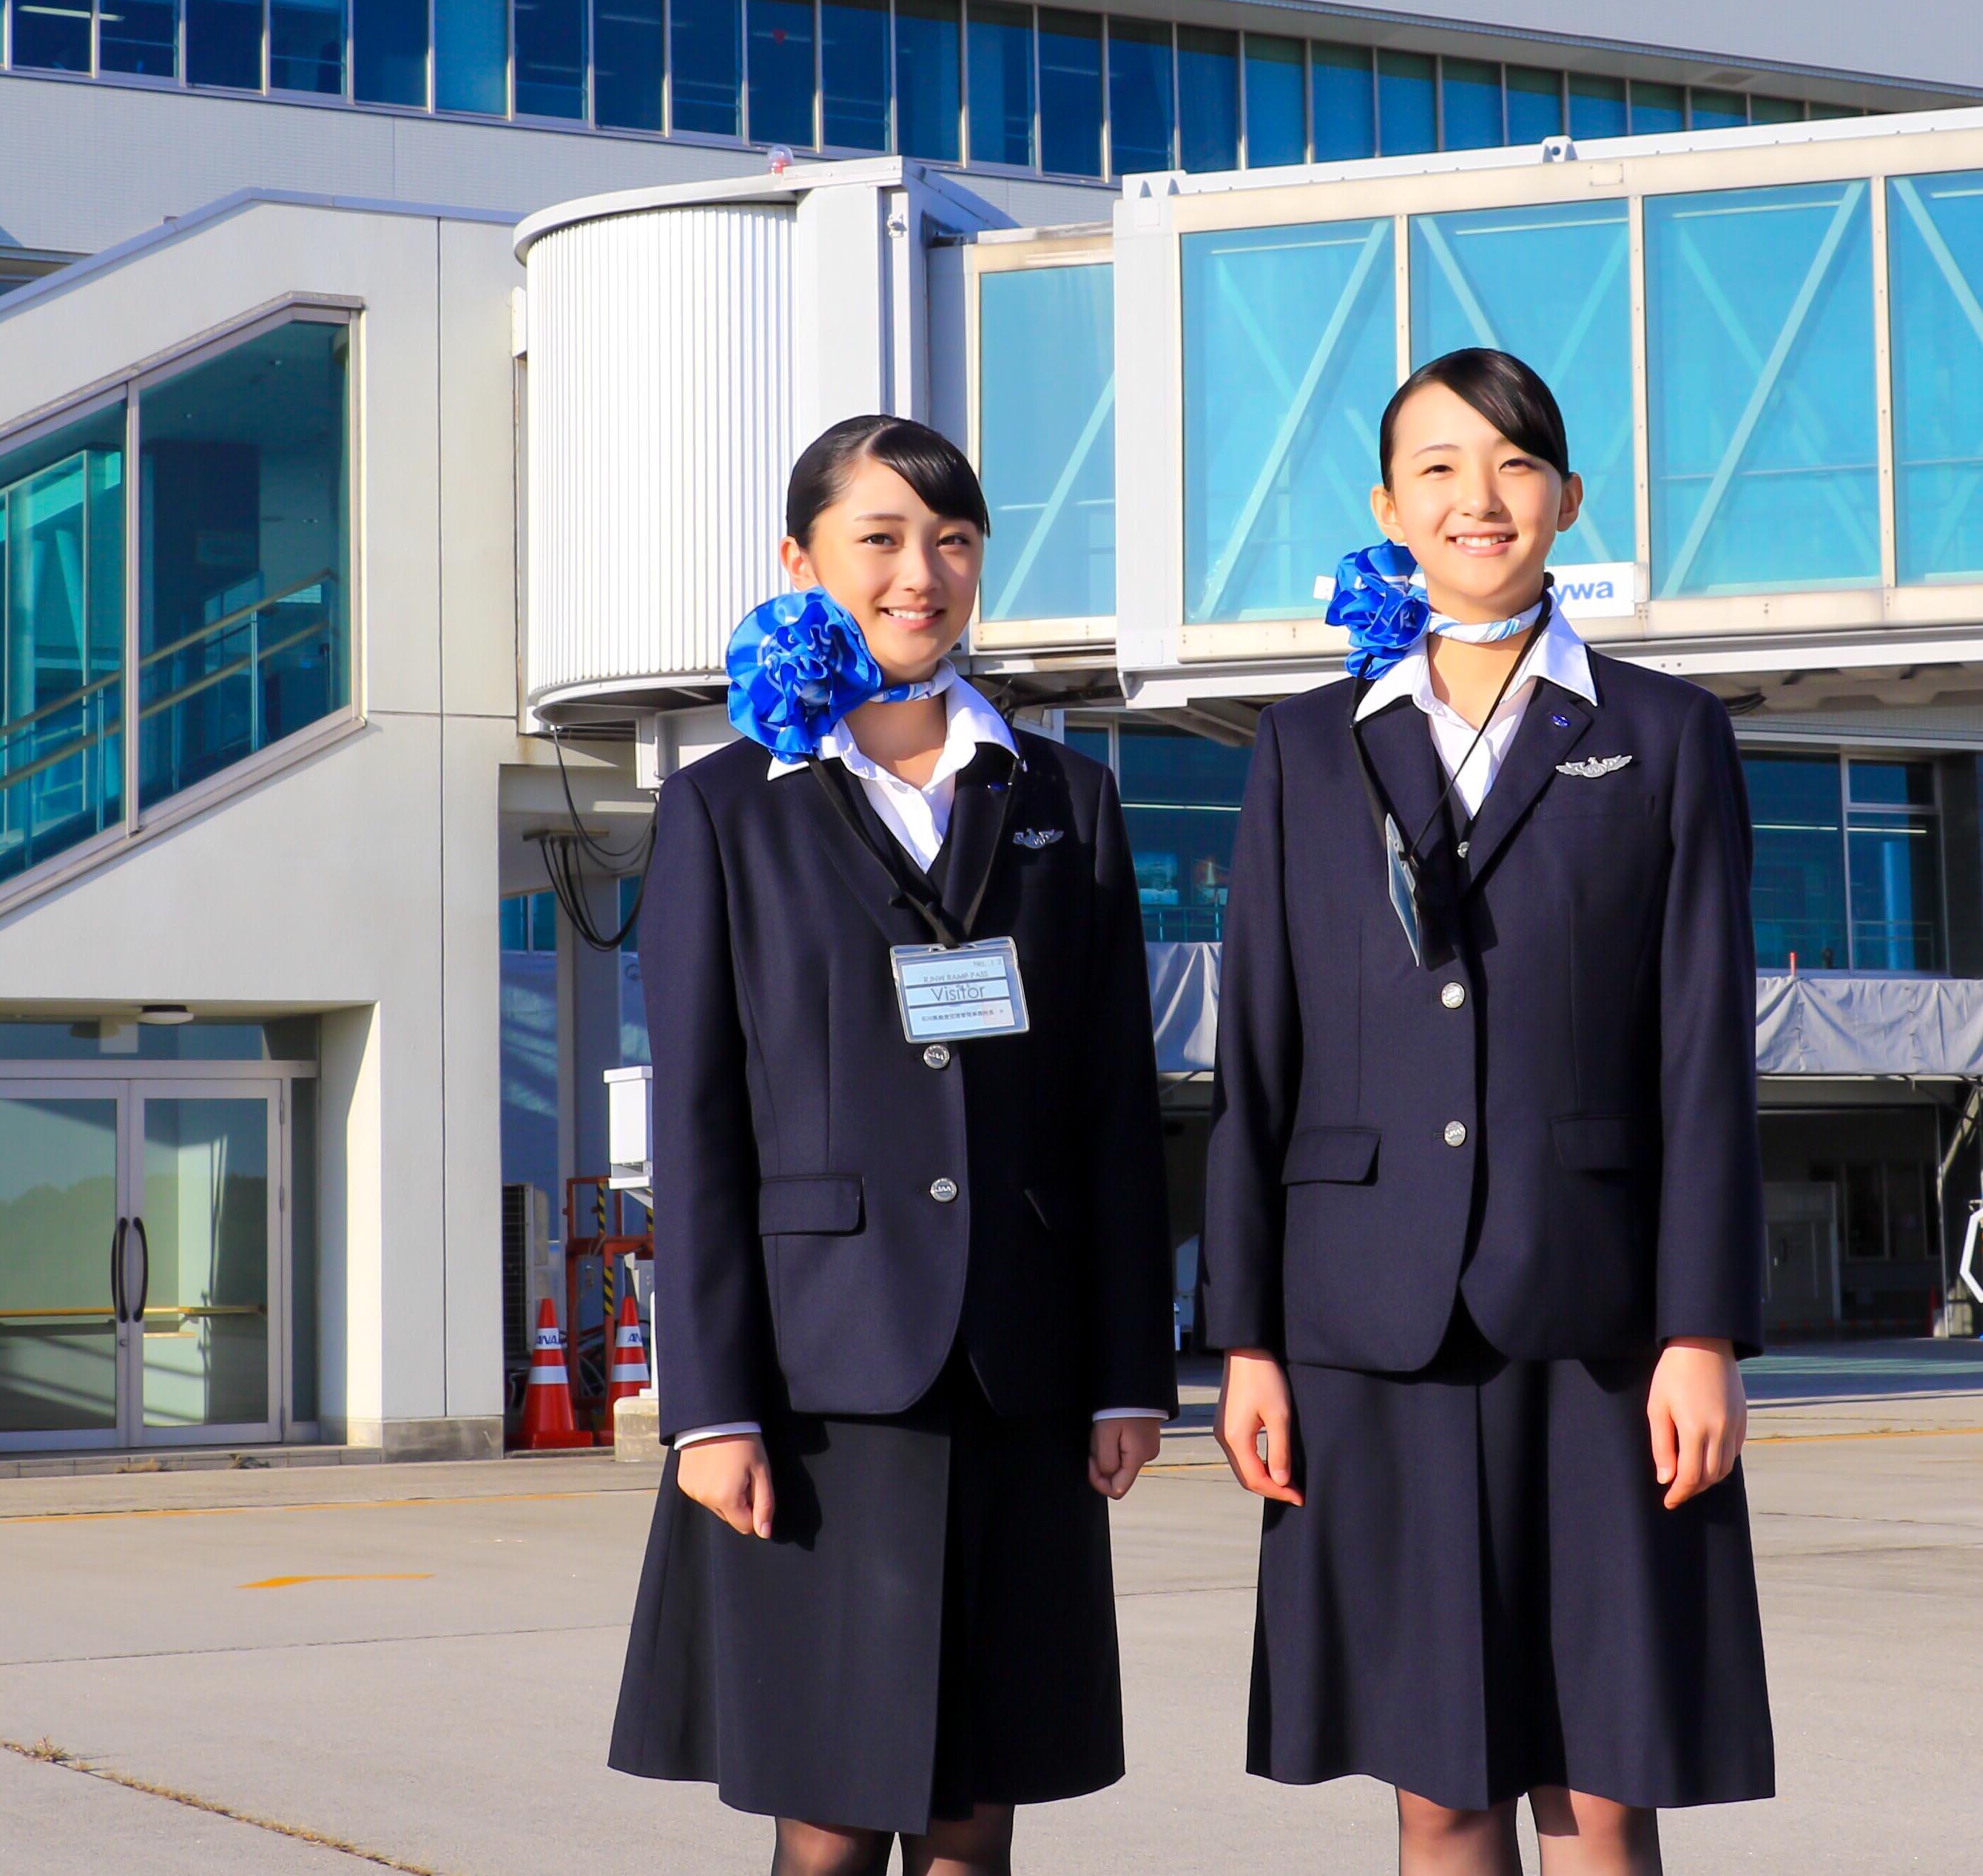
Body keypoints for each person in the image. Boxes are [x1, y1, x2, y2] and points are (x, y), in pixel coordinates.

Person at [1199, 347, 1775, 1875]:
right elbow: (1255, 1054)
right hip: (1361, 1326)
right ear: (1387, 507)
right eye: (1440, 466)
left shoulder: (1661, 733)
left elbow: (1703, 1047)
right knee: (1435, 1788)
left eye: (1513, 464)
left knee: (1600, 1782)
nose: (1479, 496)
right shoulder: (1304, 747)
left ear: (1567, 500)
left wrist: (1701, 1331)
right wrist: (1244, 1336)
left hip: (1594, 1321)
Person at [608, 414, 1176, 1876]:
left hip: (1019, 1368)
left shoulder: (1065, 800)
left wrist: (1127, 1368)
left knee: (978, 1816)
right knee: (830, 1819)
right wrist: (709, 1406)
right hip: (816, 1379)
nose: (919, 572)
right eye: (880, 539)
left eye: (952, 540)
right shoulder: (726, 808)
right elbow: (699, 1120)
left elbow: (1113, 1107)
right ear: (799, 563)